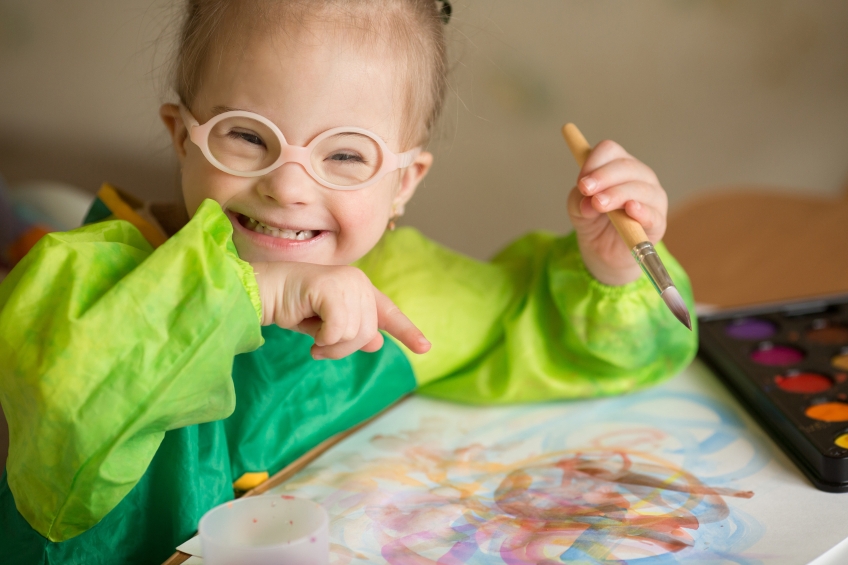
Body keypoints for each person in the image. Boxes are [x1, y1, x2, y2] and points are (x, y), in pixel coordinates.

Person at [0, 0, 697, 562]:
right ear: (183, 136)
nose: (288, 186)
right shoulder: (87, 276)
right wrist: (256, 294)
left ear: (402, 183)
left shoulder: (410, 294)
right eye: (247, 136)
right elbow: (64, 410)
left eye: (344, 154)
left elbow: (567, 341)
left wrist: (608, 268)